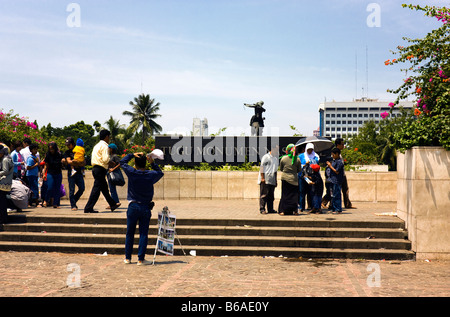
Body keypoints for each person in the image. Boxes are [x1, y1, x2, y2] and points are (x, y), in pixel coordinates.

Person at [120, 152, 164, 265]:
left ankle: (127, 258)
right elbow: (160, 173)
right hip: (145, 206)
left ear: (135, 163)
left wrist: (132, 154)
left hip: (133, 206)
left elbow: (122, 162)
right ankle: (141, 259)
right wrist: (152, 162)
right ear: (146, 163)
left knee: (130, 233)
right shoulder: (150, 175)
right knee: (143, 233)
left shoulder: (132, 173)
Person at [84, 130, 119, 213]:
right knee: (96, 189)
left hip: (96, 168)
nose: (109, 139)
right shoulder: (105, 146)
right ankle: (88, 207)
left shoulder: (96, 146)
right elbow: (105, 159)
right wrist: (111, 163)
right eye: (109, 137)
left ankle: (112, 204)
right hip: (100, 169)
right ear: (106, 136)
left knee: (104, 188)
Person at [62, 137, 86, 211]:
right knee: (71, 190)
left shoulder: (79, 150)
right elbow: (69, 162)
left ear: (73, 144)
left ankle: (74, 200)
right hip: (71, 173)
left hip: (79, 172)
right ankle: (73, 205)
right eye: (67, 145)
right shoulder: (67, 152)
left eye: (69, 145)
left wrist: (77, 163)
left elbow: (84, 162)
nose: (68, 146)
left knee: (82, 188)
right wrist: (78, 163)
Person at [278, 144, 301, 215]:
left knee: (284, 195)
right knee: (294, 195)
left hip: (285, 178)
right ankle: (295, 211)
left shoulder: (283, 158)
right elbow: (299, 170)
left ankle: (282, 211)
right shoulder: (297, 159)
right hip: (294, 179)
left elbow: (281, 169)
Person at [298, 143, 320, 212]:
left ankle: (311, 206)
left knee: (311, 192)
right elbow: (298, 165)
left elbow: (316, 164)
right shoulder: (301, 156)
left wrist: (311, 162)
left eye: (311, 149)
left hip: (311, 177)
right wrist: (305, 164)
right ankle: (301, 207)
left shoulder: (315, 156)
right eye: (308, 149)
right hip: (303, 177)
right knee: (302, 192)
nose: (310, 151)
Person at [258, 145, 279, 214]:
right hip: (265, 179)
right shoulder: (266, 157)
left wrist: (275, 180)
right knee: (264, 195)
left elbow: (275, 171)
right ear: (272, 149)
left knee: (271, 196)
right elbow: (262, 167)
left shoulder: (275, 159)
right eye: (276, 149)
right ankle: (262, 209)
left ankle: (270, 209)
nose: (277, 151)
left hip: (272, 179)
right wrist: (262, 178)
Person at [42, 142, 63, 208]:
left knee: (57, 189)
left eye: (52, 149)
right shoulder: (48, 155)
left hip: (58, 173)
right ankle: (46, 200)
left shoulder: (59, 154)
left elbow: (62, 162)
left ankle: (55, 203)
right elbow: (46, 164)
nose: (51, 150)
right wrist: (44, 174)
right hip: (50, 173)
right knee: (50, 187)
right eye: (50, 149)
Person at [335, 138, 353, 209]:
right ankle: (324, 201)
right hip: (338, 175)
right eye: (342, 144)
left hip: (342, 174)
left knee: (345, 190)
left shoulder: (340, 154)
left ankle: (347, 204)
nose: (343, 145)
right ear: (338, 145)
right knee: (336, 191)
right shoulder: (335, 153)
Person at [327, 148, 344, 214]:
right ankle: (334, 208)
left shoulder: (339, 162)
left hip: (337, 181)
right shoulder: (334, 161)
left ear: (337, 154)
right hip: (332, 180)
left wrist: (330, 166)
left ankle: (338, 209)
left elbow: (337, 171)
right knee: (333, 195)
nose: (332, 156)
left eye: (333, 154)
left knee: (337, 195)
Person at [0, 145, 14, 224]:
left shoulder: (5, 159)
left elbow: (5, 171)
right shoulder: (8, 158)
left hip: (3, 184)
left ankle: (3, 218)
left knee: (2, 203)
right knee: (3, 202)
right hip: (6, 183)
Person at [107, 143, 121, 207]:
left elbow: (120, 164)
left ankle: (114, 203)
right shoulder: (110, 156)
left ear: (112, 149)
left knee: (112, 188)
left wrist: (113, 169)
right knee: (112, 189)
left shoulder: (115, 156)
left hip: (113, 174)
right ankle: (115, 202)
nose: (108, 149)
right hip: (110, 174)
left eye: (109, 148)